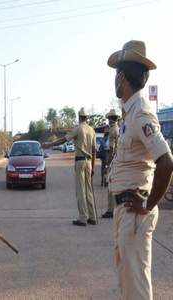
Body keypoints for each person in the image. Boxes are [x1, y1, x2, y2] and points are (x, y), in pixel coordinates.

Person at [107, 40, 173, 299]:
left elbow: (166, 161)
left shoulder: (140, 114)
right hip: (125, 211)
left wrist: (148, 204)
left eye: (115, 75)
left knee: (136, 286)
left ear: (121, 77)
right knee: (128, 281)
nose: (114, 80)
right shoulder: (130, 112)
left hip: (135, 212)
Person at [43, 108, 97, 226]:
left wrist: (50, 144)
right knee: (89, 190)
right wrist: (93, 167)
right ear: (87, 117)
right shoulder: (92, 130)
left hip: (80, 161)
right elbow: (94, 151)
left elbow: (63, 140)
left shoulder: (78, 129)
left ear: (79, 117)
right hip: (89, 162)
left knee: (80, 190)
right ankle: (92, 217)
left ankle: (83, 218)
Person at [102, 109, 120, 218]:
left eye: (109, 118)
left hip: (113, 160)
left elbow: (112, 148)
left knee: (111, 185)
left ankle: (110, 210)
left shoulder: (113, 130)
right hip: (119, 159)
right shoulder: (118, 129)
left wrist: (107, 164)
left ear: (110, 119)